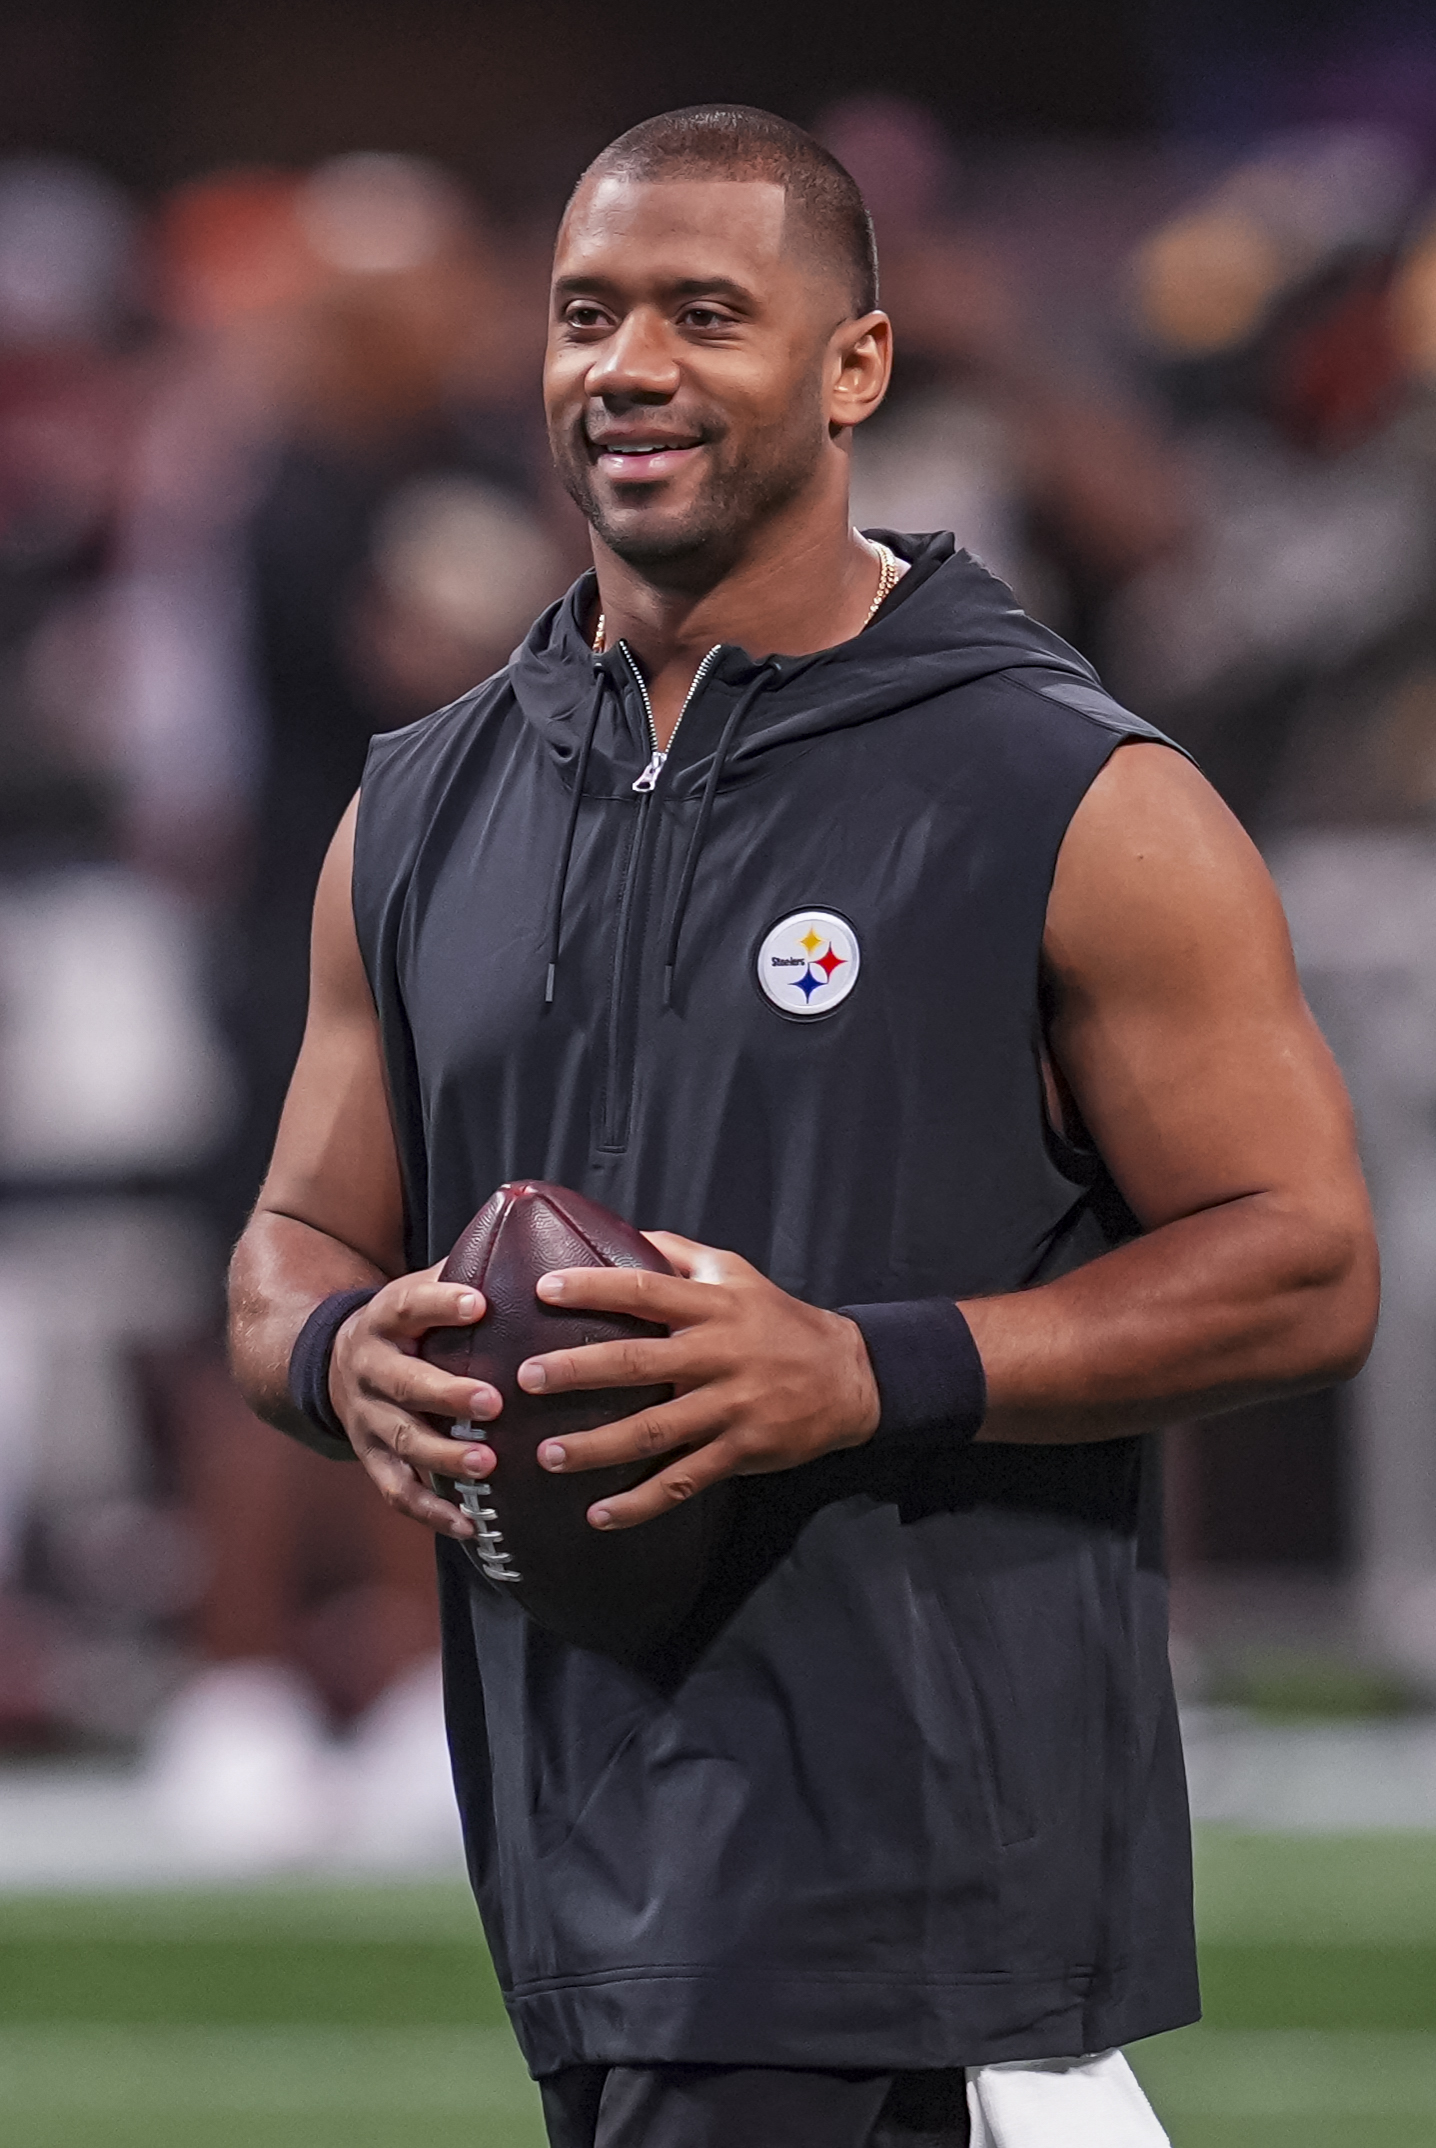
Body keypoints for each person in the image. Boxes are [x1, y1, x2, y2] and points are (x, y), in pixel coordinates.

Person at [229, 106, 1378, 2147]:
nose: (630, 367)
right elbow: (288, 1247)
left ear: (853, 367)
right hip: (584, 1875)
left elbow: (1299, 1262)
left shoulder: (1066, 789)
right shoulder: (417, 804)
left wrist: (860, 1368)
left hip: (917, 1895)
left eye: (704, 314)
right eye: (588, 314)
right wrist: (345, 1360)